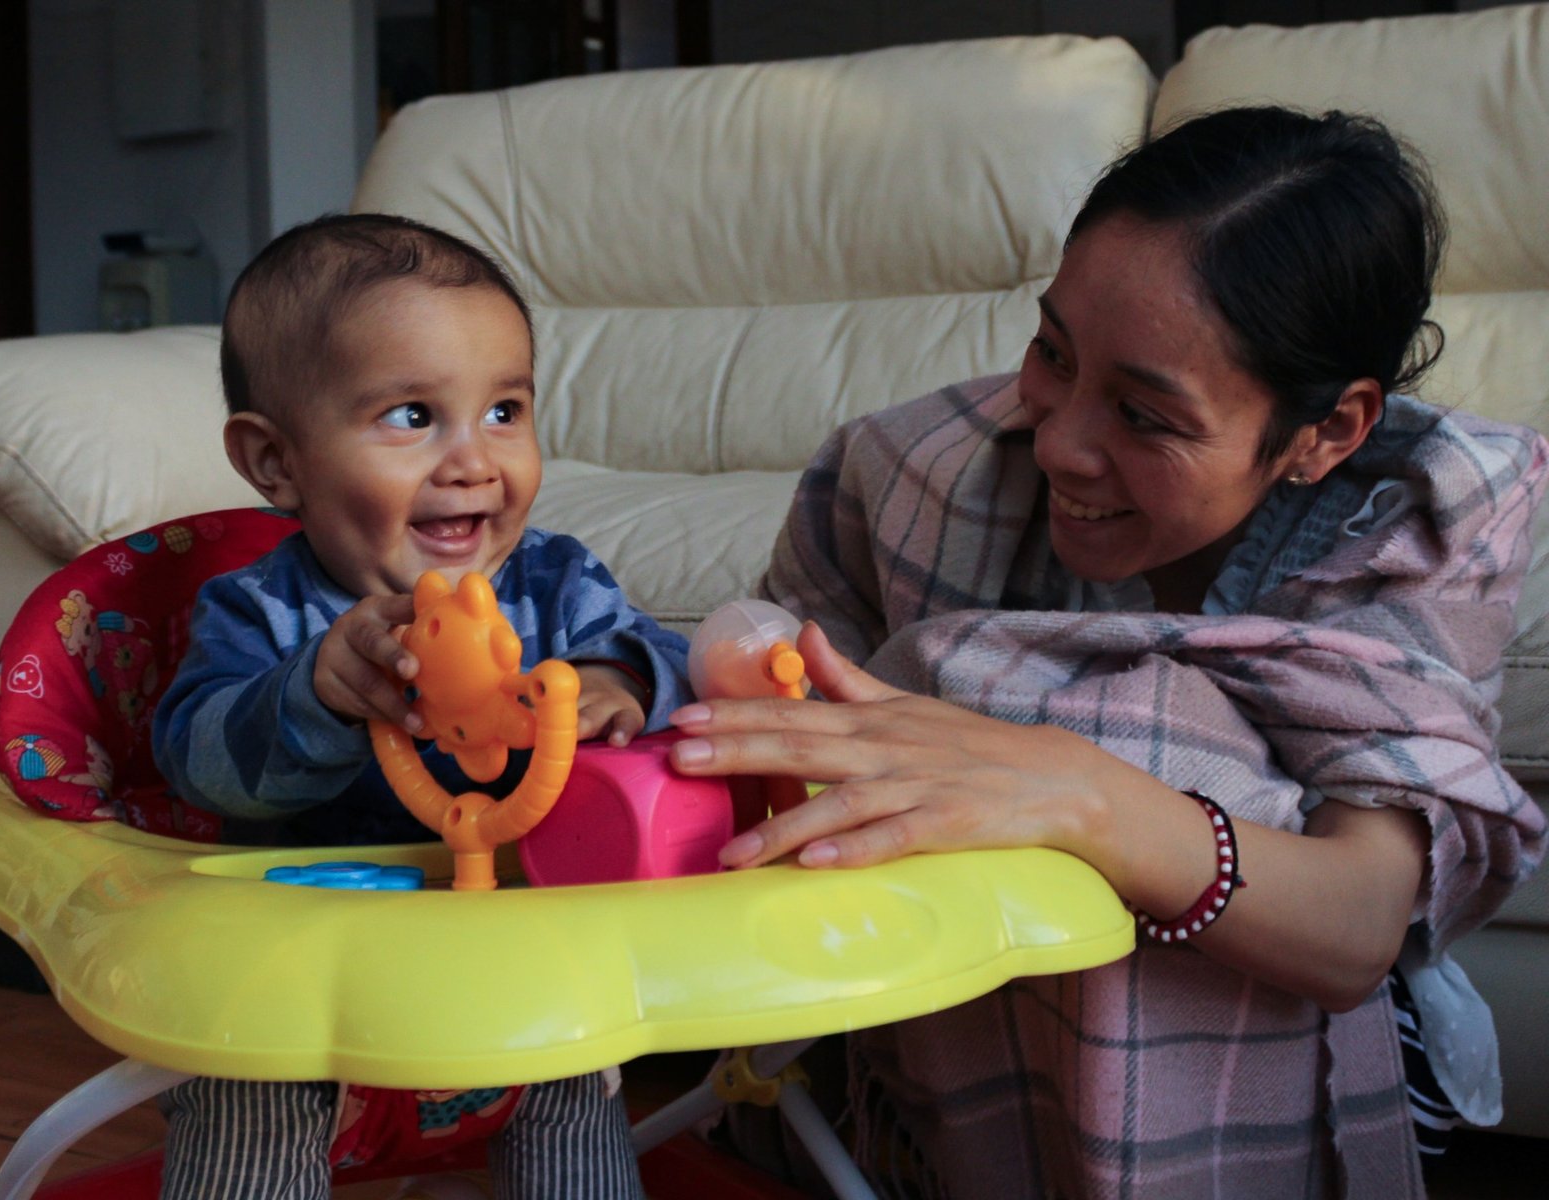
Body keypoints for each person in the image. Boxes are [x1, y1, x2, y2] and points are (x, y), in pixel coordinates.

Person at [665, 107, 1548, 1198]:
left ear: (1326, 433)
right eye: (1051, 352)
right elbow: (761, 668)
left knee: (1143, 730)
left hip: (1279, 1046)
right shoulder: (914, 472)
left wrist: (1077, 792)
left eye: (1143, 415)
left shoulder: (1424, 526)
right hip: (918, 1065)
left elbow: (1357, 922)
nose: (1059, 441)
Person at [151, 212, 691, 1199]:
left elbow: (669, 658)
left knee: (570, 1076)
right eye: (411, 416)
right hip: (294, 968)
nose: (474, 461)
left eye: (505, 411)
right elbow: (194, 756)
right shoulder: (260, 610)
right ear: (275, 462)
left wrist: (619, 684)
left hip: (517, 945)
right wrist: (314, 691)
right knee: (245, 1090)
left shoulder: (557, 587)